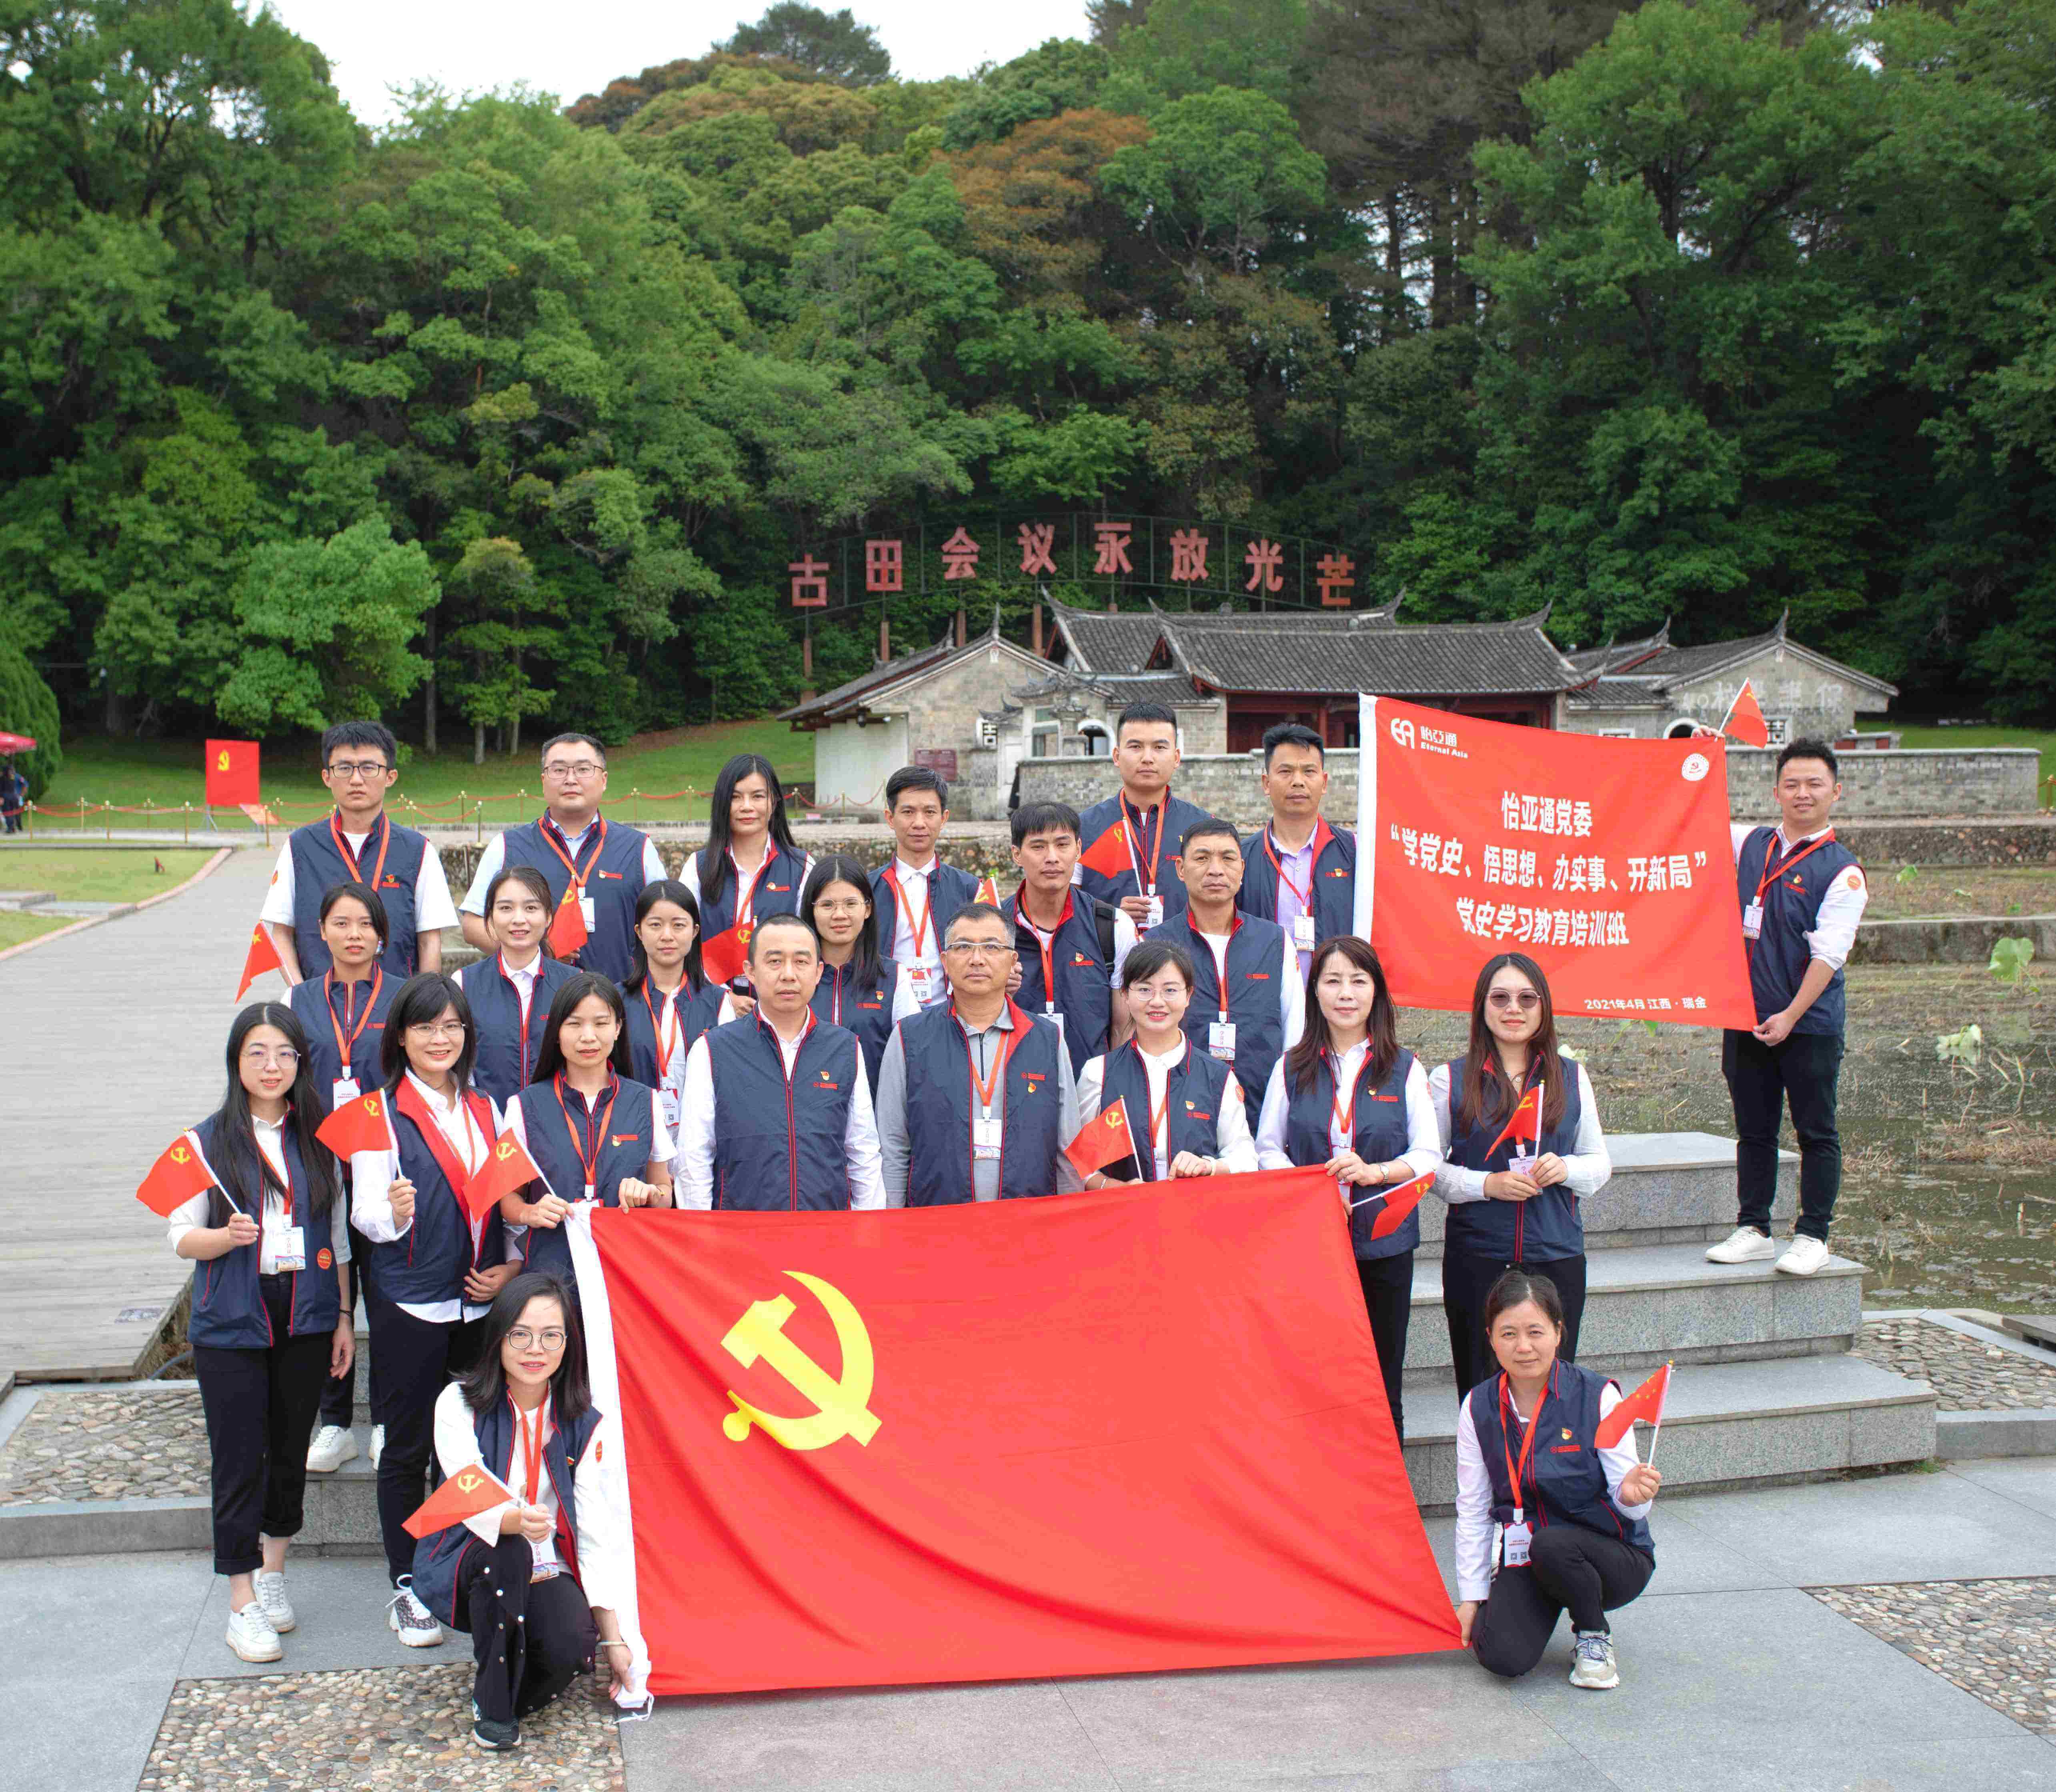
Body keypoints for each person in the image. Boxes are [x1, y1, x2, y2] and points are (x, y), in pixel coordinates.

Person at [166, 1004, 354, 1663]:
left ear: (301, 1064)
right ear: (235, 1061)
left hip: (305, 1312)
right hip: (231, 1319)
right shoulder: (205, 1141)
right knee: (238, 1455)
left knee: (288, 1446)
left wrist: (341, 1319)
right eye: (256, 1053)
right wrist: (223, 1237)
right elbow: (179, 1235)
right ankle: (240, 1598)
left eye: (283, 1054)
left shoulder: (320, 1141)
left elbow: (336, 1241)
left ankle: (274, 1571)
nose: (270, 1066)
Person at [350, 972, 521, 1645]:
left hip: (478, 1309)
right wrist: (388, 1216)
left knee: (470, 1448)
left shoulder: (489, 1108)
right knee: (407, 1448)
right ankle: (407, 1584)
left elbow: (509, 1201)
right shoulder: (377, 1115)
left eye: (452, 1026)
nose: (440, 1038)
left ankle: (461, 1568)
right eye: (426, 1027)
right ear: (402, 1037)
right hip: (410, 1305)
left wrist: (509, 1266)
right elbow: (363, 1217)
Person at [409, 1274, 644, 1752]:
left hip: (548, 1561)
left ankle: (501, 1690)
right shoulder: (458, 1403)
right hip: (470, 1554)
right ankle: (494, 1709)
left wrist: (614, 1639)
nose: (535, 1348)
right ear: (498, 1337)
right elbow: (468, 1488)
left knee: (569, 1648)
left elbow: (597, 1531)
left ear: (567, 1343)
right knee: (510, 1549)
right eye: (520, 1333)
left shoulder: (585, 1422)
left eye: (550, 1335)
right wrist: (516, 1520)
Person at [1256, 937, 1440, 1440]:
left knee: (1382, 1377)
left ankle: (1386, 1502)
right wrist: (1314, 1185)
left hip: (1384, 1243)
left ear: (1376, 991)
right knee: (1313, 1376)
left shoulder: (1403, 1067)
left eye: (1359, 981)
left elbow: (1428, 1155)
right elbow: (1266, 1149)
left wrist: (1374, 1172)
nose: (1346, 993)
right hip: (1310, 1246)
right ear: (1314, 991)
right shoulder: (1291, 1067)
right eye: (1333, 980)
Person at [1709, 738, 1868, 1278]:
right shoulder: (1749, 843)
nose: (1802, 793)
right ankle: (1753, 1227)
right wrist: (1694, 763)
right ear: (1775, 791)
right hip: (1746, 1016)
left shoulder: (1841, 871)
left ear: (1834, 793)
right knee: (1753, 1129)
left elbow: (1828, 956)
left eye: (1814, 784)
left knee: (1814, 1131)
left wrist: (1791, 1016)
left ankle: (1811, 1235)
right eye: (1792, 784)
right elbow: (1691, 818)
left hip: (1808, 1024)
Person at [1455, 1270, 1659, 1691]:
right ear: (1491, 1337)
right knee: (1499, 1655)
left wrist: (1634, 1495)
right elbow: (1473, 1508)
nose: (1523, 1346)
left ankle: (1592, 1635)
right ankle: (1546, 1599)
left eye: (1535, 1331)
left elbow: (1630, 1501)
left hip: (1610, 1557)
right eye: (1508, 1333)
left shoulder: (1598, 1395)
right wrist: (1471, 1596)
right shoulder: (1478, 1407)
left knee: (1553, 1542)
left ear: (1558, 1333)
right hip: (1531, 1553)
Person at [1432, 953, 1611, 1400]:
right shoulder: (1449, 1079)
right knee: (1480, 1387)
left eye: (1527, 997)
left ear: (1544, 1006)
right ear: (1482, 1006)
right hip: (1478, 1255)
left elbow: (1599, 1164)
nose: (1514, 1008)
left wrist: (1566, 1168)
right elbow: (1427, 1169)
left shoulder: (1572, 1076)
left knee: (1554, 1390)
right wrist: (1485, 1185)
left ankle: (1545, 1471)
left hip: (1556, 1253)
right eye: (1501, 997)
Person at [285, 880, 397, 1476]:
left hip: (387, 1163)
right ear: (321, 931)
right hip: (319, 1163)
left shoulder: (404, 997)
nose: (353, 935)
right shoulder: (298, 999)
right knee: (330, 1292)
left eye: (365, 925)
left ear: (382, 935)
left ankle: (383, 1419)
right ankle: (334, 1422)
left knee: (386, 1292)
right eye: (341, 923)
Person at [674, 914, 886, 1209]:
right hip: (740, 1235)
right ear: (750, 971)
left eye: (801, 962)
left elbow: (862, 1150)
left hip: (828, 1233)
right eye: (774, 961)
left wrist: (867, 1229)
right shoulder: (712, 1050)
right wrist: (702, 1236)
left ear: (817, 972)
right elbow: (694, 1157)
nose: (788, 974)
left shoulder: (845, 1048)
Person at [875, 903, 1083, 1205]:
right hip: (934, 1224)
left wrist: (1071, 1216)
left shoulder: (1046, 1038)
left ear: (1013, 960)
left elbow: (1067, 1146)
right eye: (962, 947)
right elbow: (893, 1144)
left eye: (991, 947)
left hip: (1029, 1223)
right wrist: (890, 1221)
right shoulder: (910, 1037)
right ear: (945, 961)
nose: (977, 959)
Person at [501, 974, 674, 1284]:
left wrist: (649, 1193)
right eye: (574, 1024)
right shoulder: (523, 1106)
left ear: (618, 1028)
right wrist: (529, 1213)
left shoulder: (646, 1101)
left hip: (626, 1272)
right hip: (549, 1272)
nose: (588, 1036)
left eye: (601, 1023)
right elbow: (508, 1199)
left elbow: (664, 1192)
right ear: (556, 1032)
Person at [459, 734, 666, 988]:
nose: (571, 779)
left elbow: (666, 923)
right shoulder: (507, 847)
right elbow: (472, 925)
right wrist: (534, 951)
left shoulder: (638, 848)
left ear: (604, 780)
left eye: (583, 769)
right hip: (534, 1001)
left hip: (620, 1002)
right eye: (558, 770)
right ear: (544, 781)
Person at [260, 720, 458, 982]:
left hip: (395, 1012)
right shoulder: (300, 847)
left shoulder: (418, 851)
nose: (356, 779)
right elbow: (281, 933)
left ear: (390, 777)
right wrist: (302, 998)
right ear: (327, 777)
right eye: (344, 768)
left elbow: (429, 940)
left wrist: (417, 1010)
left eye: (368, 768)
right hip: (320, 1011)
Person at [1145, 818, 1304, 1107]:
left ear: (1242, 869)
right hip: (1178, 1106)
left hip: (1261, 1104)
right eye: (1202, 858)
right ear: (1181, 869)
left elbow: (1294, 1032)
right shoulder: (1154, 945)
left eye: (1227, 858)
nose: (1215, 870)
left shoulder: (1274, 942)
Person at [1076, 940, 1257, 1186]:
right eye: (1145, 990)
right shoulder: (1099, 1073)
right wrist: (1114, 1187)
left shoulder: (1217, 1077)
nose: (1157, 1001)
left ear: (1188, 995)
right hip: (1123, 1217)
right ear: (1125, 996)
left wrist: (1209, 1166)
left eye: (1170, 990)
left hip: (1196, 1217)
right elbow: (1081, 1166)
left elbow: (1246, 1160)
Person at [1009, 801, 1137, 1075]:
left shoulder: (1111, 925)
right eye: (1038, 846)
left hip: (1089, 1086)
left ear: (1078, 849)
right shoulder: (994, 929)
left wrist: (1111, 1088)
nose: (1052, 857)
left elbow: (1122, 1027)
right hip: (1012, 1085)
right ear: (1016, 855)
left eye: (1062, 845)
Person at [1237, 722, 1357, 980]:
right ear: (1266, 783)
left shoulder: (1355, 853)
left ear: (1324, 783)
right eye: (1286, 772)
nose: (1298, 782)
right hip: (1265, 1003)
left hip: (1337, 1002)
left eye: (1309, 771)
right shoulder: (1240, 858)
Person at [1075, 703, 1211, 928]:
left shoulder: (1203, 827)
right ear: (1117, 756)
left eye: (1159, 747)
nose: (1148, 758)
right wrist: (1111, 916)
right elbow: (1067, 906)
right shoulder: (1084, 828)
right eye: (1136, 747)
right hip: (1108, 959)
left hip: (1184, 958)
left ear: (1176, 758)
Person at [683, 754, 813, 986]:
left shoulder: (802, 868)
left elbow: (810, 946)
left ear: (774, 802)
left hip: (780, 1000)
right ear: (723, 804)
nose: (747, 807)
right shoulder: (697, 867)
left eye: (758, 797)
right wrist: (723, 997)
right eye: (735, 797)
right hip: (712, 1004)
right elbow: (683, 941)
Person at [619, 879, 736, 1133]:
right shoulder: (617, 1001)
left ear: (694, 932)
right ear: (639, 932)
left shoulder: (718, 1003)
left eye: (678, 925)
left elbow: (728, 1083)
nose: (667, 936)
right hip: (634, 1136)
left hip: (700, 1141)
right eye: (655, 925)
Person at [458, 866, 578, 1110]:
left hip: (559, 1127)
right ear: (490, 918)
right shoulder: (464, 983)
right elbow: (460, 1068)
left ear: (549, 917)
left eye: (531, 908)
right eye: (506, 908)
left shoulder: (574, 984)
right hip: (490, 1126)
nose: (519, 919)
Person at [801, 856, 921, 1093]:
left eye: (850, 904)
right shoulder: (795, 976)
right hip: (806, 1116)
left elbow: (914, 1055)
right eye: (827, 905)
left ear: (867, 909)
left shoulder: (893, 978)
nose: (840, 915)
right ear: (811, 910)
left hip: (874, 1116)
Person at [870, 766, 981, 1008]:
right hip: (883, 1013)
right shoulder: (866, 890)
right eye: (908, 812)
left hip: (951, 1013)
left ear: (944, 818)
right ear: (890, 818)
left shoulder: (970, 889)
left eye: (930, 812)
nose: (919, 823)